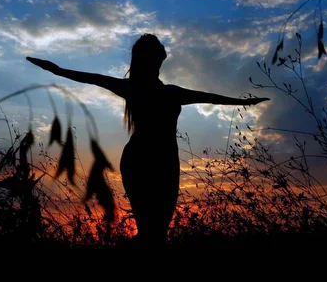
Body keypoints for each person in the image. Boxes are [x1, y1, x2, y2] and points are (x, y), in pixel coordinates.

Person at [26, 33, 269, 247]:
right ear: (155, 59)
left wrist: (244, 103)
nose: (157, 61)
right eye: (154, 56)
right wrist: (55, 69)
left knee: (155, 230)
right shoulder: (155, 91)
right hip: (146, 160)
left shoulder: (159, 91)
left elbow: (211, 98)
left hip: (158, 161)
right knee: (152, 230)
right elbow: (90, 77)